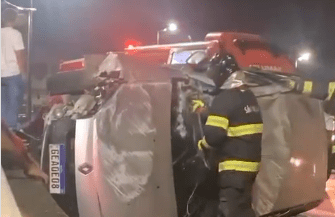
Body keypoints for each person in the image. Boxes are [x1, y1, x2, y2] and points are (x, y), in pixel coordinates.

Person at [196, 54, 263, 217]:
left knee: (231, 211)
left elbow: (214, 136)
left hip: (233, 170)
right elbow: (233, 118)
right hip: (250, 168)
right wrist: (207, 112)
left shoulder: (224, 98)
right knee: (244, 209)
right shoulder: (248, 96)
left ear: (221, 74)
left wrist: (202, 144)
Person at [1, 8, 26, 130]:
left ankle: (3, 132)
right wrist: (23, 73)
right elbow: (19, 55)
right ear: (14, 19)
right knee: (13, 104)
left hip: (1, 75)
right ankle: (12, 131)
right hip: (13, 74)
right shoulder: (16, 34)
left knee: (3, 105)